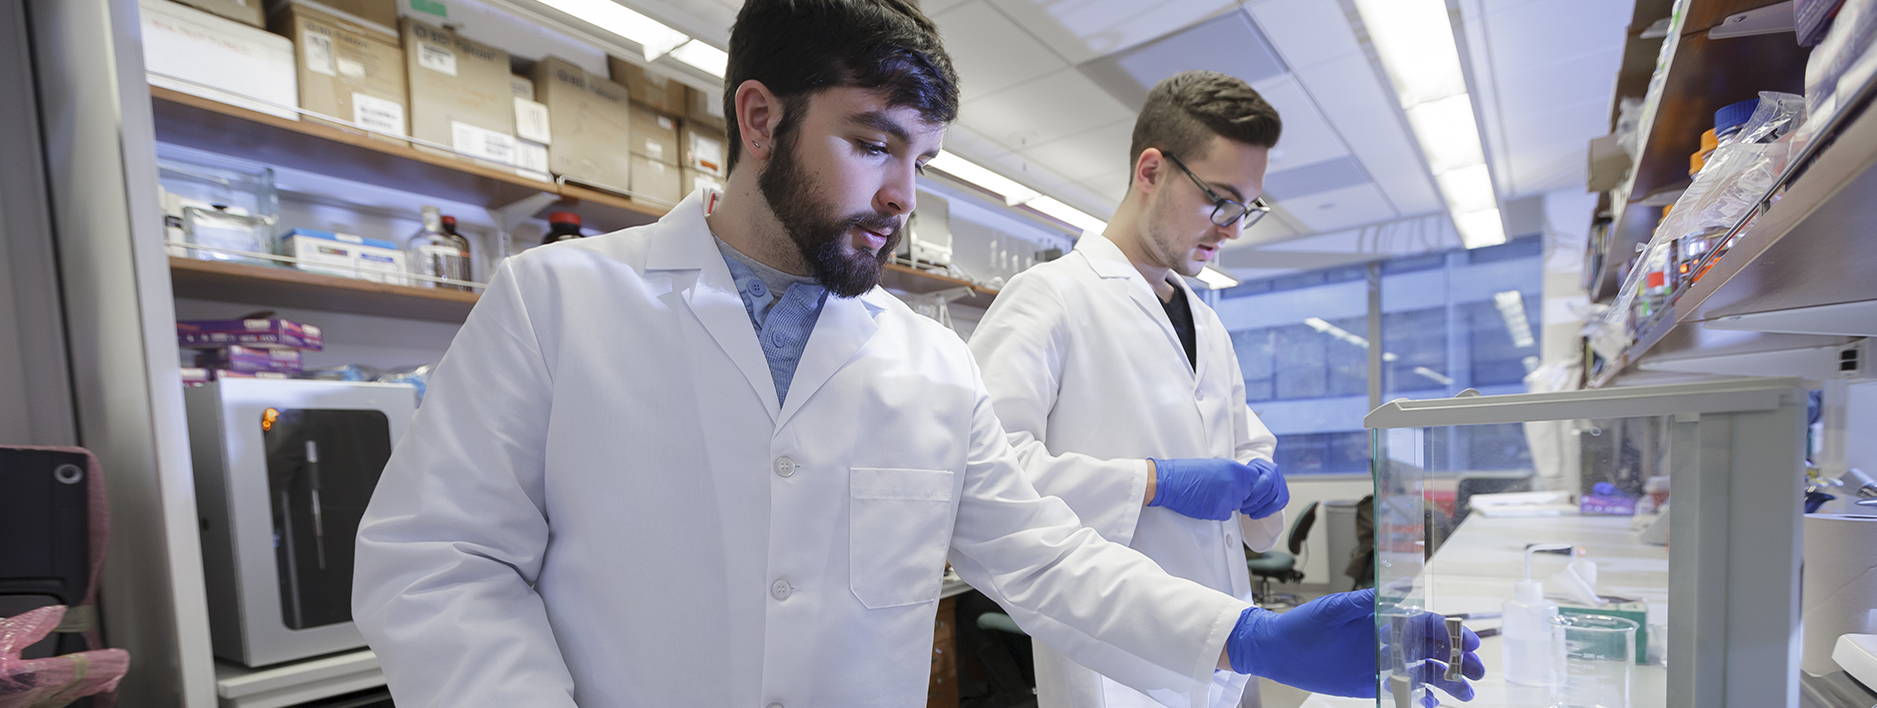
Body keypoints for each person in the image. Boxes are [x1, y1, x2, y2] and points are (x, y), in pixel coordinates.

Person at [350, 0, 1481, 705]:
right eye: (870, 143)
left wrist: (1253, 636)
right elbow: (438, 564)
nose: (900, 195)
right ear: (759, 117)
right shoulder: (556, 304)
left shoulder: (927, 362)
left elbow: (1045, 560)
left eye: (924, 160)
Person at [969, 70, 1292, 708]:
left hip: (1228, 642)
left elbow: (1248, 457)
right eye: (1219, 200)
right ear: (1151, 171)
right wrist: (1153, 481)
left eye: (1245, 210)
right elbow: (987, 478)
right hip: (1115, 667)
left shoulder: (1207, 322)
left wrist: (1261, 479)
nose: (1230, 229)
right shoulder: (1048, 297)